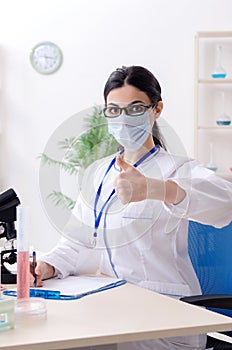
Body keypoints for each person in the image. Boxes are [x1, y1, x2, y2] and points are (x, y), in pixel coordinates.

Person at [34, 66, 232, 350]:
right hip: (114, 305)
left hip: (167, 317)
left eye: (135, 108)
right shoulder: (98, 174)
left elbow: (225, 203)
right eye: (114, 110)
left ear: (157, 109)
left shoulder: (179, 169)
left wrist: (155, 188)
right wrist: (46, 266)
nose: (123, 119)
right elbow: (75, 243)